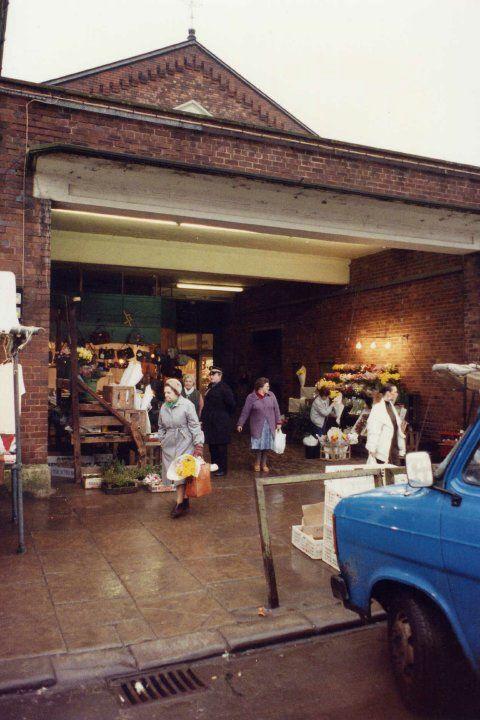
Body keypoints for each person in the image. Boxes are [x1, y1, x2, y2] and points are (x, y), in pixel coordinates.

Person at [157, 378, 204, 518]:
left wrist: (198, 445)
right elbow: (160, 426)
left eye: (169, 392)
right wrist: (162, 439)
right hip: (170, 443)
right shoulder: (164, 407)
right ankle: (184, 500)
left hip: (185, 441)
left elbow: (195, 426)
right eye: (165, 393)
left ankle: (179, 504)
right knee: (175, 473)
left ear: (177, 392)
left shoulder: (187, 405)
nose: (166, 395)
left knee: (181, 473)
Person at [237, 377, 282, 472]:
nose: (268, 388)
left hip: (269, 424)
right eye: (267, 386)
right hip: (258, 425)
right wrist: (240, 423)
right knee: (259, 445)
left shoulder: (271, 395)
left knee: (266, 445)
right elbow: (245, 411)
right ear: (260, 387)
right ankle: (257, 462)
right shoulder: (251, 397)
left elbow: (276, 409)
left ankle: (264, 463)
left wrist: (278, 422)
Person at [201, 366, 235, 477]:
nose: (211, 376)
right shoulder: (210, 387)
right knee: (213, 447)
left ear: (220, 375)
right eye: (210, 374)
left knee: (221, 447)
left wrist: (223, 416)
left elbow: (231, 404)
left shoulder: (224, 388)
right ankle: (215, 467)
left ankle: (222, 468)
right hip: (210, 423)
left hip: (220, 423)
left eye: (214, 374)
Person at [366, 384, 406, 465]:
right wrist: (372, 448)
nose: (397, 394)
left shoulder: (390, 406)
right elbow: (373, 429)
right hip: (383, 448)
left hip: (394, 447)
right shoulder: (378, 408)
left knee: (395, 472)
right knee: (383, 473)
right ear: (388, 393)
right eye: (395, 392)